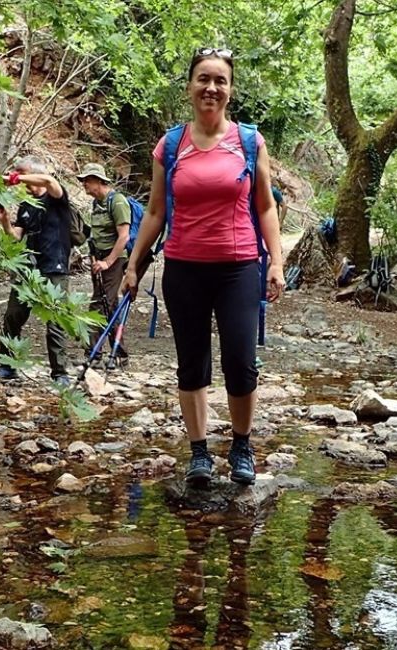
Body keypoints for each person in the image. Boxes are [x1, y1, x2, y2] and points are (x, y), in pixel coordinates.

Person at [121, 47, 286, 487]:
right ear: (190, 86)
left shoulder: (250, 142)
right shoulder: (170, 145)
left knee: (240, 361)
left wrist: (276, 261)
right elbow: (155, 212)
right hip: (183, 268)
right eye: (203, 79)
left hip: (238, 269)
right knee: (191, 364)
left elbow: (266, 206)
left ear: (230, 90)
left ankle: (241, 445)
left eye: (220, 80)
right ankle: (198, 454)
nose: (211, 87)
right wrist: (134, 264)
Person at [0, 157, 72, 385]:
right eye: (17, 173)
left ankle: (60, 373)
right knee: (13, 316)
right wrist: (5, 221)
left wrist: (14, 178)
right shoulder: (27, 204)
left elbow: (48, 180)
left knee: (55, 321)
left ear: (33, 173)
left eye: (22, 173)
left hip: (54, 267)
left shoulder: (56, 197)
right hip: (29, 269)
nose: (20, 179)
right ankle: (7, 365)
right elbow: (17, 235)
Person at [77, 162, 133, 367]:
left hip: (114, 261)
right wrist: (94, 258)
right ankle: (120, 353)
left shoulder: (117, 202)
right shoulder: (97, 204)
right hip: (98, 260)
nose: (84, 184)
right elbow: (94, 236)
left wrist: (107, 262)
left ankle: (93, 353)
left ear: (99, 181)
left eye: (87, 180)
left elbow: (124, 236)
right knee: (110, 306)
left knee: (99, 304)